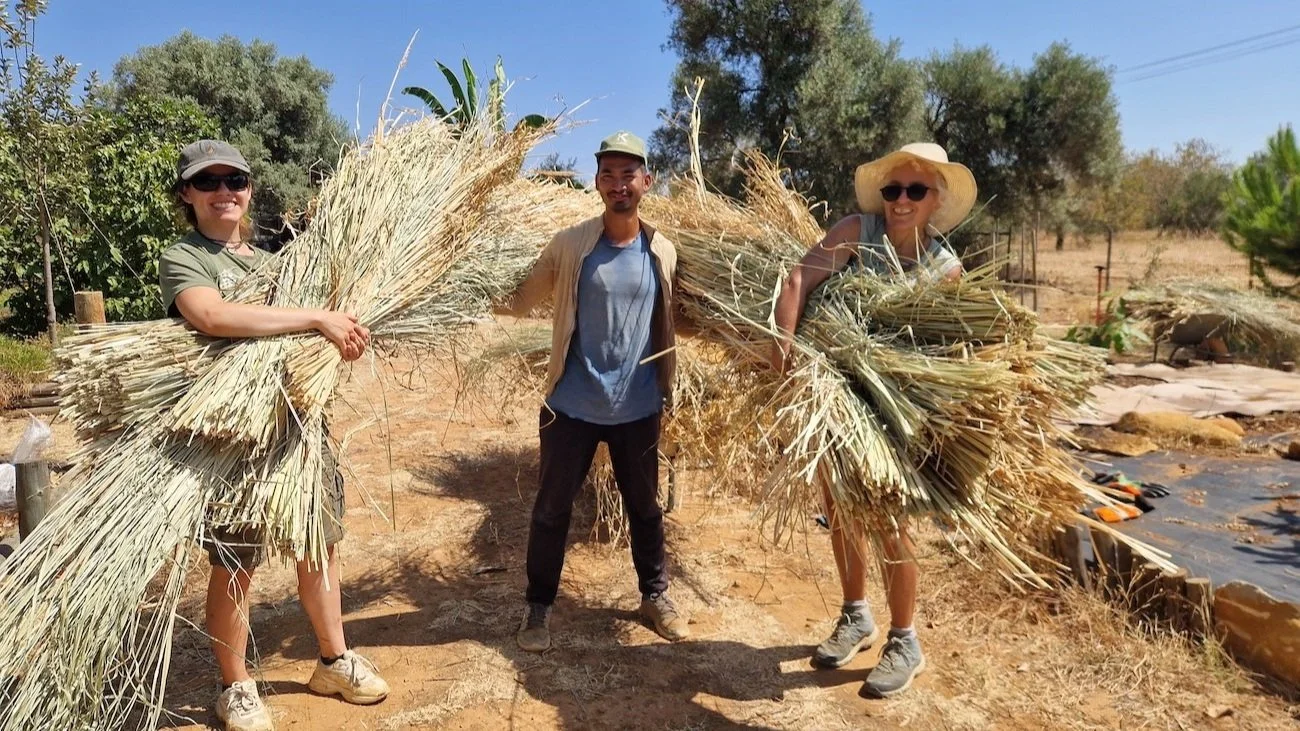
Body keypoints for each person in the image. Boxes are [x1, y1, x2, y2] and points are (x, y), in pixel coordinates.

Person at [159, 140, 389, 731]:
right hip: (235, 437)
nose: (223, 192)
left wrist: (342, 334)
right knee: (237, 563)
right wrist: (315, 316)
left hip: (299, 429)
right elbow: (210, 317)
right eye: (206, 182)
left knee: (320, 544)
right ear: (187, 194)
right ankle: (235, 687)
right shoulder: (186, 257)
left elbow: (306, 342)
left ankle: (334, 660)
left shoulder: (273, 263)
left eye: (233, 179)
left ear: (250, 188)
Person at [770, 142, 977, 698]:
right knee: (839, 506)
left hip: (896, 410)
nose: (901, 201)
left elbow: (951, 355)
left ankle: (906, 640)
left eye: (915, 191)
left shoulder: (944, 271)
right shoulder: (856, 233)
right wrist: (784, 356)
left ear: (935, 201)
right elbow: (796, 282)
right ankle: (856, 615)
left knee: (889, 520)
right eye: (893, 190)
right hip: (837, 396)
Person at [498, 131, 689, 652]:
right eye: (608, 174)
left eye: (629, 174)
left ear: (647, 181)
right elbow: (522, 298)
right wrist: (470, 283)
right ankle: (538, 608)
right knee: (551, 509)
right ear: (597, 182)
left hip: (638, 407)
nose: (618, 183)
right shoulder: (571, 244)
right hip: (572, 406)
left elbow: (679, 317)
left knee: (645, 508)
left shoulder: (663, 250)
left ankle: (654, 596)